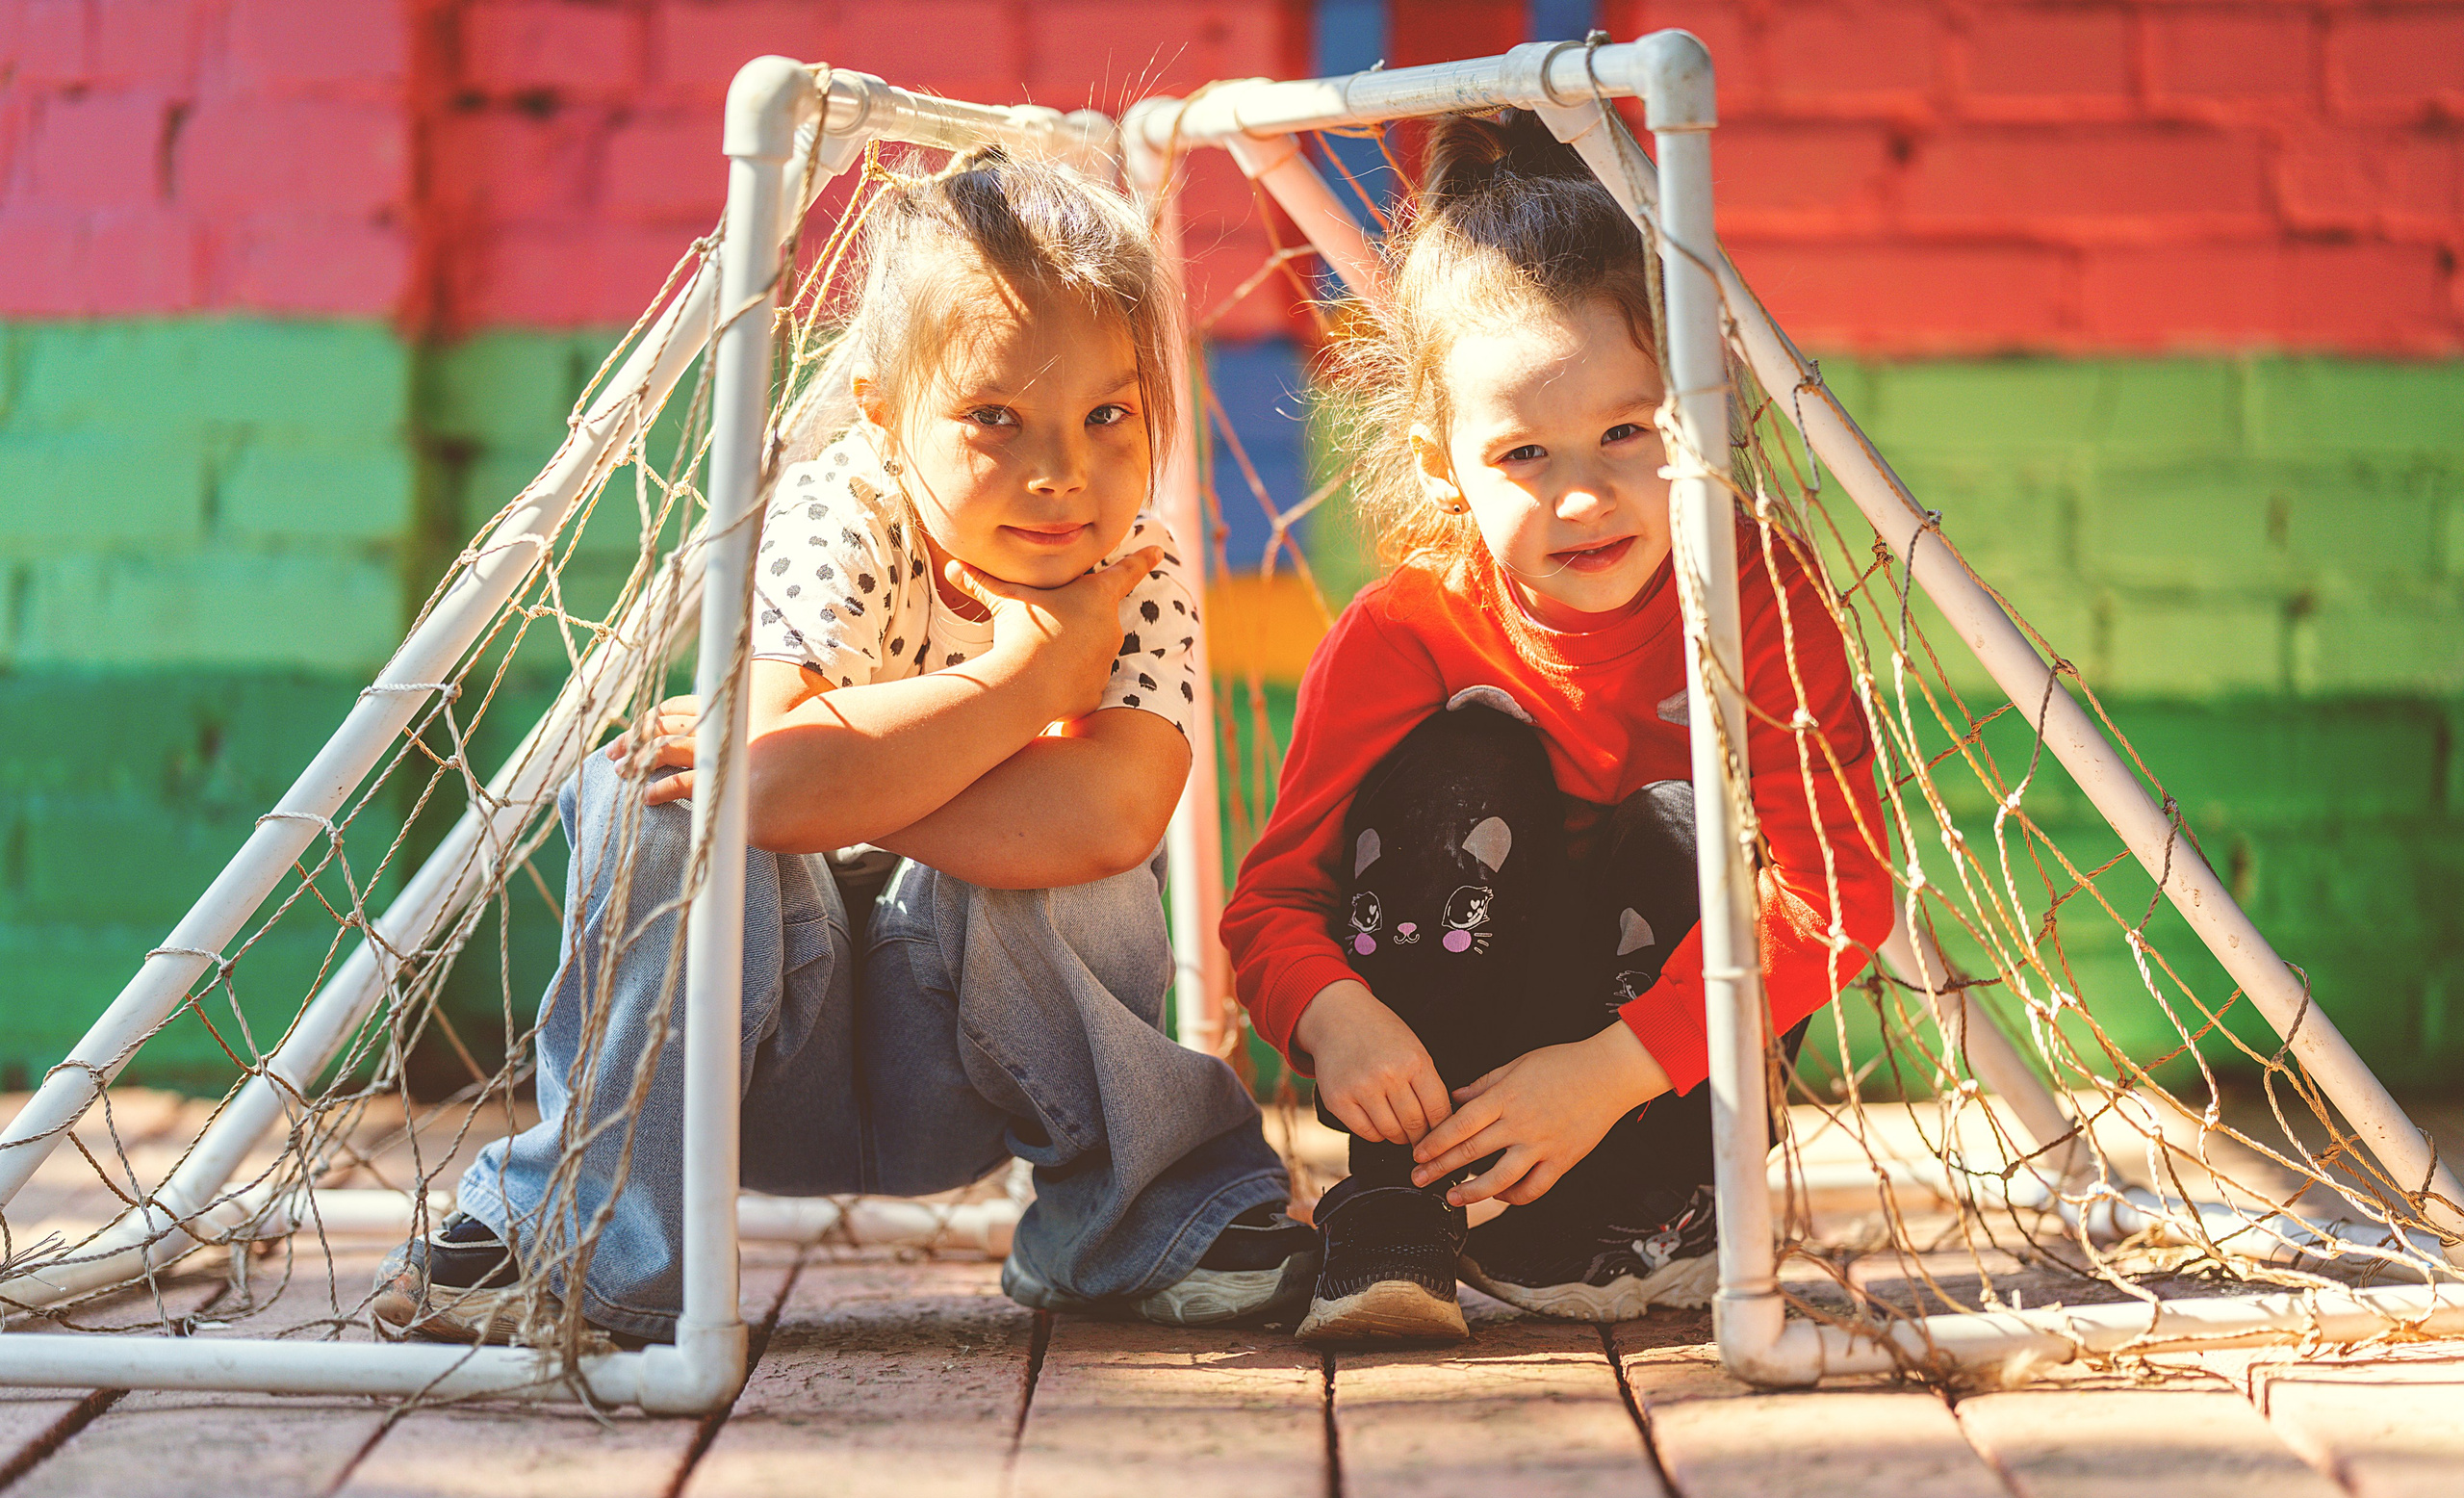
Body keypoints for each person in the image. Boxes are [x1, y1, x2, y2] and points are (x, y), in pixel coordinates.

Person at [375, 147, 1311, 1349]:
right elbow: (761, 790)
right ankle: (587, 1233)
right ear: (883, 407)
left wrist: (840, 780)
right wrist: (1019, 682)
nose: (1061, 472)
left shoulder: (1134, 568)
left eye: (1108, 415)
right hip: (749, 1055)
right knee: (651, 796)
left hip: (977, 1069)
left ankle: (1143, 1218)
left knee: (1034, 855)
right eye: (992, 419)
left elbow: (1107, 820)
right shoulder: (843, 510)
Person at [1221, 110, 1893, 1344]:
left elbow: (1837, 890)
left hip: (1639, 1081)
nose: (1583, 494)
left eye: (1625, 433)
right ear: (1440, 463)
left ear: (1693, 409)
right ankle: (1396, 1216)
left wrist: (1614, 1068)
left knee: (1680, 822)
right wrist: (1337, 1016)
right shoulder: (1401, 637)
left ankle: (1648, 1209)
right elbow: (1268, 909)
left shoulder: (1750, 593)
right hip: (1448, 1088)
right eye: (1524, 452)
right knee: (1459, 762)